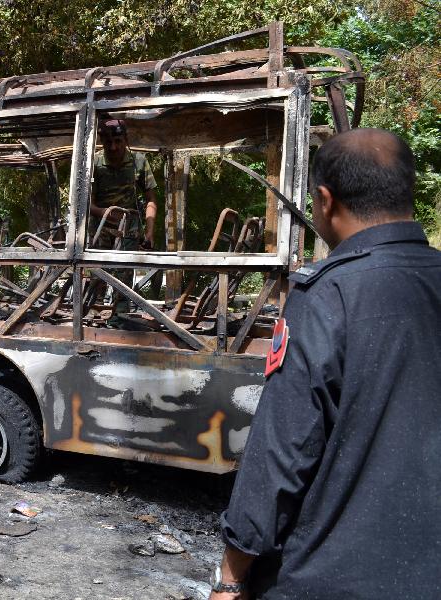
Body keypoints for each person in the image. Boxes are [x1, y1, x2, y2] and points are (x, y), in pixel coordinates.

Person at [210, 128, 441, 599]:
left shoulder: (326, 297)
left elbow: (282, 451)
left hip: (331, 577)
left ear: (324, 200)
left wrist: (231, 577)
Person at [89, 117, 159, 322]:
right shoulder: (94, 163)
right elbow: (87, 204)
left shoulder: (138, 162)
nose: (113, 146)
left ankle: (121, 316)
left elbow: (151, 201)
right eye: (108, 142)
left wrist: (149, 232)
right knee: (97, 274)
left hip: (129, 227)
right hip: (100, 227)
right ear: (102, 141)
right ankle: (94, 314)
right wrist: (105, 213)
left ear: (125, 139)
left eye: (118, 141)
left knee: (125, 275)